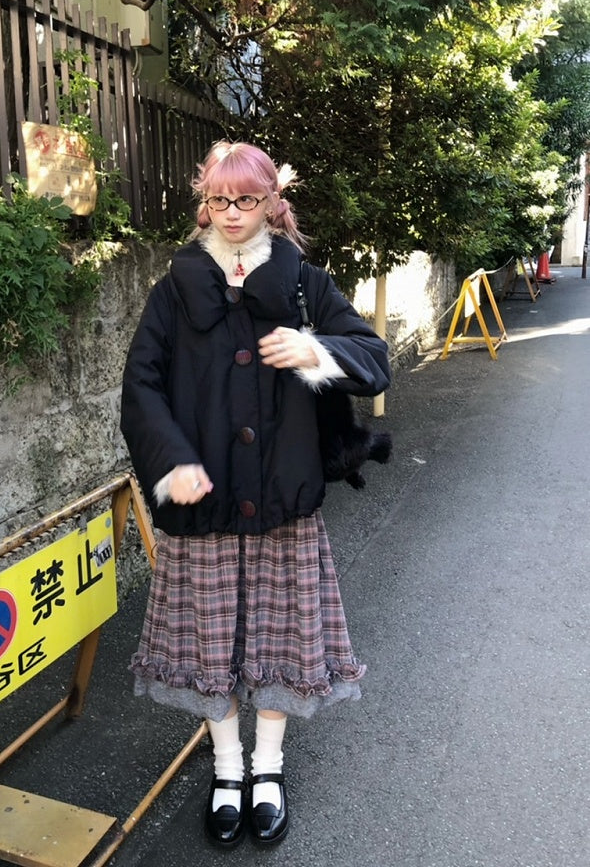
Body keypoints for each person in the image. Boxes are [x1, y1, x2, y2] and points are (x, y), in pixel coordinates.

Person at [120, 140, 391, 848]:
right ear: (202, 201)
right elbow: (141, 387)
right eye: (217, 199)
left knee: (280, 639)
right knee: (212, 645)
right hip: (203, 506)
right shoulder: (175, 289)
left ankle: (267, 770)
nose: (231, 213)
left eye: (246, 199)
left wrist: (316, 350)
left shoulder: (305, 283)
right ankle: (228, 767)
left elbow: (374, 360)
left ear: (272, 201)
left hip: (282, 499)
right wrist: (171, 459)